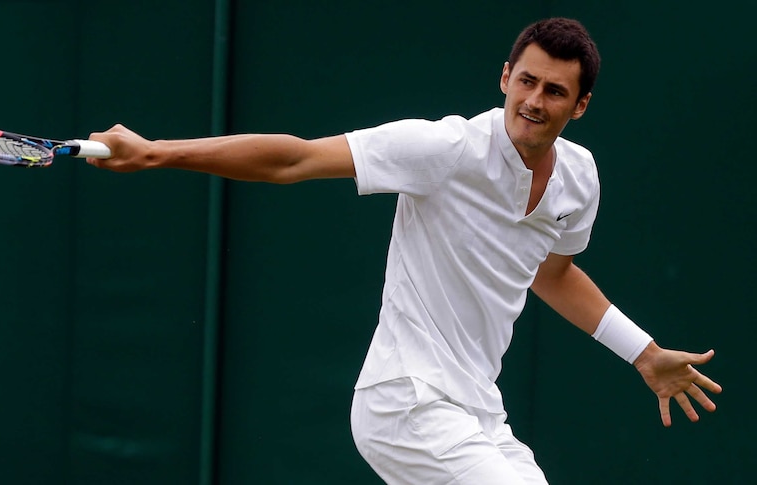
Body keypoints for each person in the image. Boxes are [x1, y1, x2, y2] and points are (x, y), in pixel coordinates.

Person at [86, 17, 722, 485]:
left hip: (478, 409)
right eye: (525, 81)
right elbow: (297, 157)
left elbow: (553, 275)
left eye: (555, 91)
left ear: (579, 105)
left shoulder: (578, 179)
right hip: (405, 399)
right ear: (504, 77)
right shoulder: (443, 151)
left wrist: (643, 353)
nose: (534, 101)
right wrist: (158, 152)